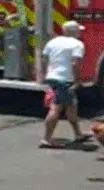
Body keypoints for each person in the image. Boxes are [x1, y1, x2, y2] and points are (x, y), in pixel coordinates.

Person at [39, 20, 92, 148]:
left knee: (72, 105)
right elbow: (75, 64)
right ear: (74, 32)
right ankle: (46, 139)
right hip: (64, 80)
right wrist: (78, 80)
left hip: (53, 77)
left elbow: (44, 59)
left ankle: (78, 134)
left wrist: (45, 74)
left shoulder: (52, 42)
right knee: (56, 108)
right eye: (78, 30)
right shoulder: (77, 44)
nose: (80, 33)